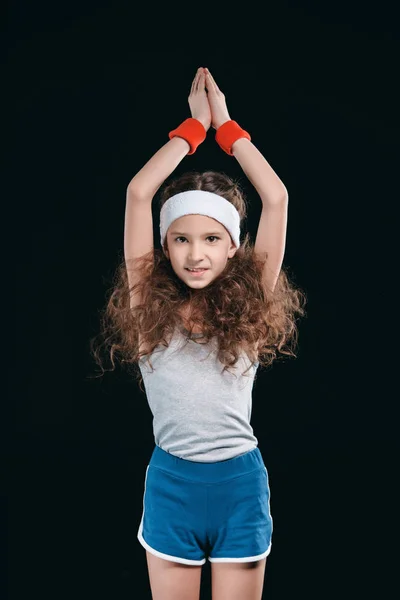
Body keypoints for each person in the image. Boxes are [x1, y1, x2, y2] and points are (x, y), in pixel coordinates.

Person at [90, 67, 307, 600]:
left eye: (212, 238)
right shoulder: (148, 307)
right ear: (165, 246)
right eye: (181, 239)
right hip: (172, 486)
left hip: (240, 486)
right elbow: (139, 193)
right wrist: (191, 129)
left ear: (233, 246)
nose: (195, 252)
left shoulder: (251, 302)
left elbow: (275, 198)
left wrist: (227, 128)